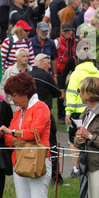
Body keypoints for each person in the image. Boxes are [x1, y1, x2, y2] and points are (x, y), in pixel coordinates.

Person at [0, 72, 52, 198]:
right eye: (11, 96)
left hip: (39, 161)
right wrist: (14, 139)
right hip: (19, 161)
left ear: (25, 92)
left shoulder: (41, 107)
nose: (12, 100)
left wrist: (14, 133)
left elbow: (33, 133)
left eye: (14, 95)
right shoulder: (19, 112)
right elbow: (7, 137)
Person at [65, 47, 99, 178]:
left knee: (74, 140)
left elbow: (71, 94)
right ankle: (89, 167)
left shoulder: (76, 74)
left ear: (78, 61)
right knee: (91, 138)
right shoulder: (98, 74)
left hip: (77, 113)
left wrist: (68, 112)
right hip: (95, 112)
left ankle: (75, 169)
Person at [30, 53, 63, 184]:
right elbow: (58, 92)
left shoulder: (26, 75)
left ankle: (32, 170)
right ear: (41, 62)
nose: (50, 66)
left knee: (31, 143)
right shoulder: (45, 76)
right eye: (48, 63)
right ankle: (56, 177)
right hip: (45, 115)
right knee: (51, 144)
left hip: (30, 116)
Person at [55, 23, 77, 124]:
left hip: (72, 71)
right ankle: (61, 116)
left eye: (69, 31)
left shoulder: (75, 41)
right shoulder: (57, 41)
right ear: (62, 32)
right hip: (61, 71)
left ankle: (70, 113)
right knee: (61, 93)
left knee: (72, 92)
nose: (67, 33)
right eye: (65, 31)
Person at [0, 48, 31, 112]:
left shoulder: (31, 70)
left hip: (28, 104)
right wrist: (4, 103)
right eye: (23, 56)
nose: (25, 58)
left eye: (27, 56)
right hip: (13, 105)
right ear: (17, 58)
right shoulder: (9, 71)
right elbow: (3, 88)